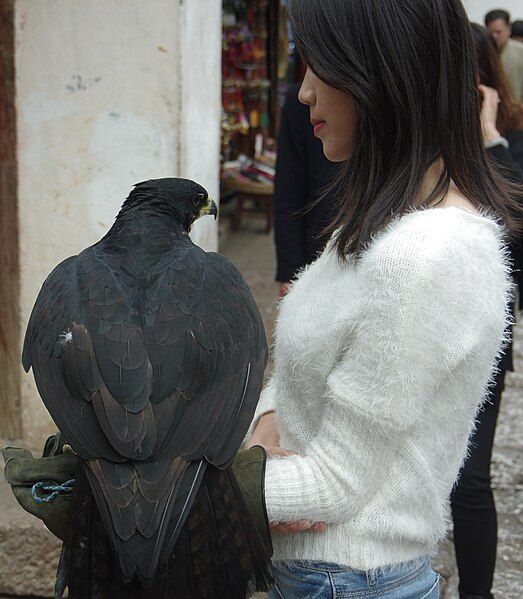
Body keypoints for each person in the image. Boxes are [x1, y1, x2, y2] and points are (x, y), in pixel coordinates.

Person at [244, 1, 522, 598]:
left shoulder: (426, 254)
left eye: (319, 67)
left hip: (349, 581)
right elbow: (308, 365)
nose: (303, 94)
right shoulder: (381, 224)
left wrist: (166, 492)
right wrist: (268, 425)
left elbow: (333, 486)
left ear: (380, 71)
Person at [447, 23, 523, 599]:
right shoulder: (424, 137)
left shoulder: (512, 137)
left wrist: (492, 139)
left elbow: (513, 241)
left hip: (482, 337)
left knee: (469, 482)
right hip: (421, 326)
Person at [274, 84, 339, 295]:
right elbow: (288, 190)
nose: (305, 94)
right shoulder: (299, 105)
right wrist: (290, 270)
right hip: (316, 259)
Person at [485, 9, 523, 101]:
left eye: (498, 32)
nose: (494, 36)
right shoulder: (483, 52)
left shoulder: (520, 51)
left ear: (509, 29)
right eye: (491, 32)